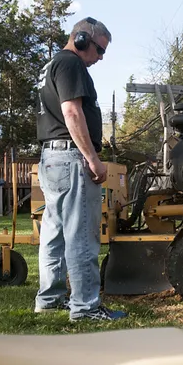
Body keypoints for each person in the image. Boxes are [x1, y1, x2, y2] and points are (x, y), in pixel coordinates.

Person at [34, 17, 127, 321]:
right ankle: (86, 307)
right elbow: (72, 112)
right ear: (82, 39)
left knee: (55, 233)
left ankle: (49, 299)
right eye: (99, 50)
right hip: (72, 159)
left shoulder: (51, 66)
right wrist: (92, 158)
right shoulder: (71, 64)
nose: (100, 58)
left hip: (51, 158)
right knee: (82, 234)